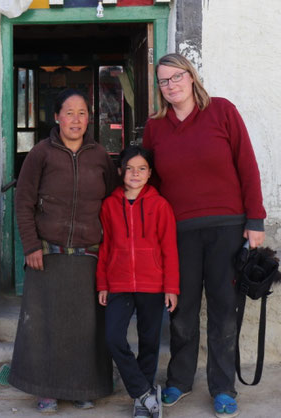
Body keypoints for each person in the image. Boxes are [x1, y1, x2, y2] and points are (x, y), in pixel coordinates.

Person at [142, 53, 266, 418]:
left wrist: (255, 221)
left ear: (191, 76)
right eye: (163, 81)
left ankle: (223, 387)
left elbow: (247, 164)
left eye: (176, 77)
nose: (171, 86)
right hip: (179, 231)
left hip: (227, 227)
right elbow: (153, 182)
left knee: (225, 309)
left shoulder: (222, 111)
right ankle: (179, 379)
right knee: (181, 309)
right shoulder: (155, 126)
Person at [8, 88, 117, 413]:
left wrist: (109, 253)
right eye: (69, 112)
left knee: (86, 328)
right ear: (56, 117)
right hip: (47, 254)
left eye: (82, 113)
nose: (75, 119)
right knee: (44, 327)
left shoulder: (99, 156)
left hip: (88, 256)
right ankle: (45, 389)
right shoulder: (40, 154)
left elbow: (111, 205)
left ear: (89, 118)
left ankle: (84, 387)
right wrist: (30, 245)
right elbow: (23, 201)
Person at [97, 145, 179, 418]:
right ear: (120, 171)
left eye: (141, 168)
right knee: (113, 337)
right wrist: (103, 284)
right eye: (130, 168)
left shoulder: (160, 205)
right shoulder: (109, 205)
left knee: (149, 341)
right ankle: (144, 391)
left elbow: (169, 248)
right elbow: (105, 246)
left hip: (152, 285)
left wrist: (171, 287)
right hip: (118, 284)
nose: (135, 173)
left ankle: (141, 404)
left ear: (149, 173)